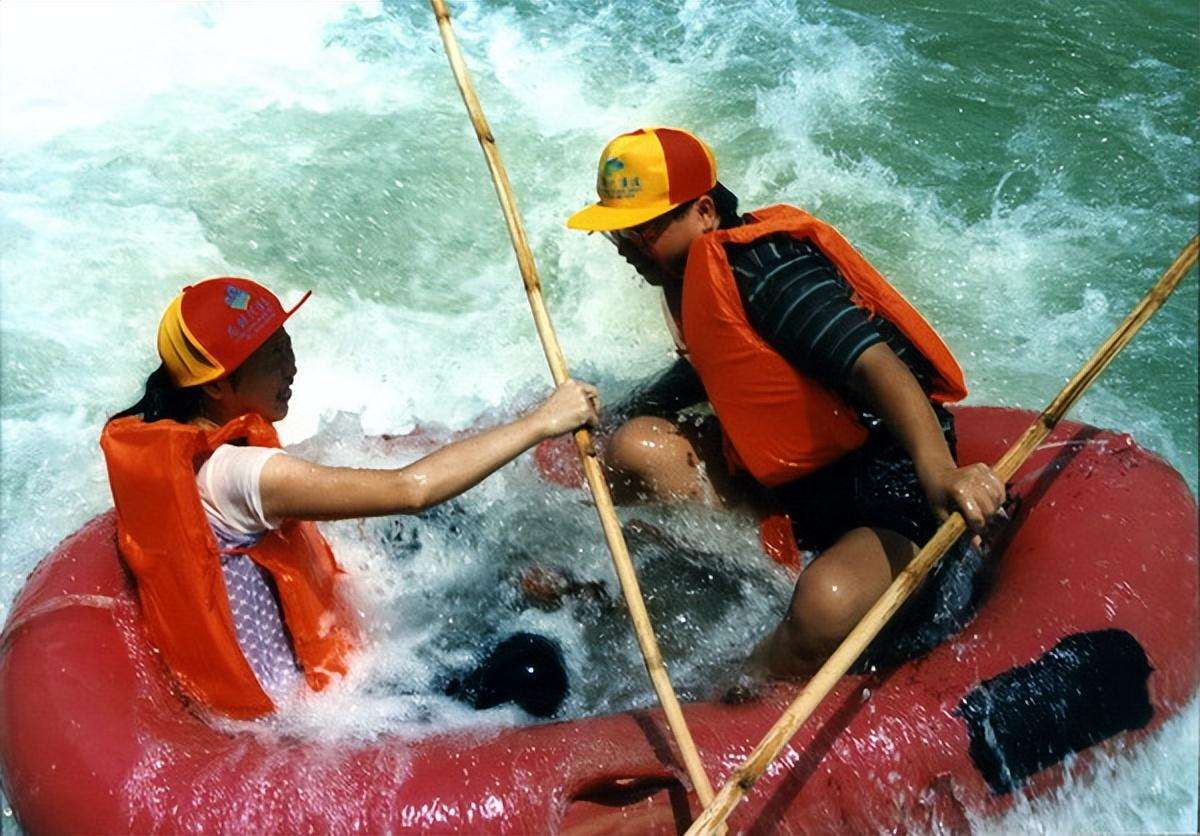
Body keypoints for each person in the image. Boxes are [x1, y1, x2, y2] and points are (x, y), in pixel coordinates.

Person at [565, 127, 1006, 676]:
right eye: (618, 236)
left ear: (704, 212)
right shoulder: (690, 270)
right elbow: (712, 367)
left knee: (826, 605)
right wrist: (621, 413)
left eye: (643, 232)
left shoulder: (773, 272)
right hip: (794, 491)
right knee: (634, 448)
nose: (630, 251)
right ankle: (620, 580)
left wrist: (941, 472)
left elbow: (875, 365)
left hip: (885, 488)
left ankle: (744, 685)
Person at [101, 276, 599, 719]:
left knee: (445, 532)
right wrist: (542, 422)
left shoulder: (190, 456)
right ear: (219, 387)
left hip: (308, 703)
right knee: (534, 668)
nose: (291, 367)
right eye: (273, 357)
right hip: (313, 720)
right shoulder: (241, 473)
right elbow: (412, 489)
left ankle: (539, 593)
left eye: (286, 345)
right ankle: (566, 606)